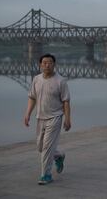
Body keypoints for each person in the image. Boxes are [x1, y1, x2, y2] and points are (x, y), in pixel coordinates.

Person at [24, 53, 71, 185]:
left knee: (46, 148)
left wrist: (67, 119)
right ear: (40, 65)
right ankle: (59, 155)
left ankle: (46, 175)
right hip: (40, 117)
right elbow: (32, 97)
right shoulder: (36, 79)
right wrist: (27, 114)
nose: (47, 65)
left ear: (54, 64)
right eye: (44, 62)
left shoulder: (60, 81)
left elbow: (66, 102)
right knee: (40, 147)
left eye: (50, 62)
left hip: (55, 117)